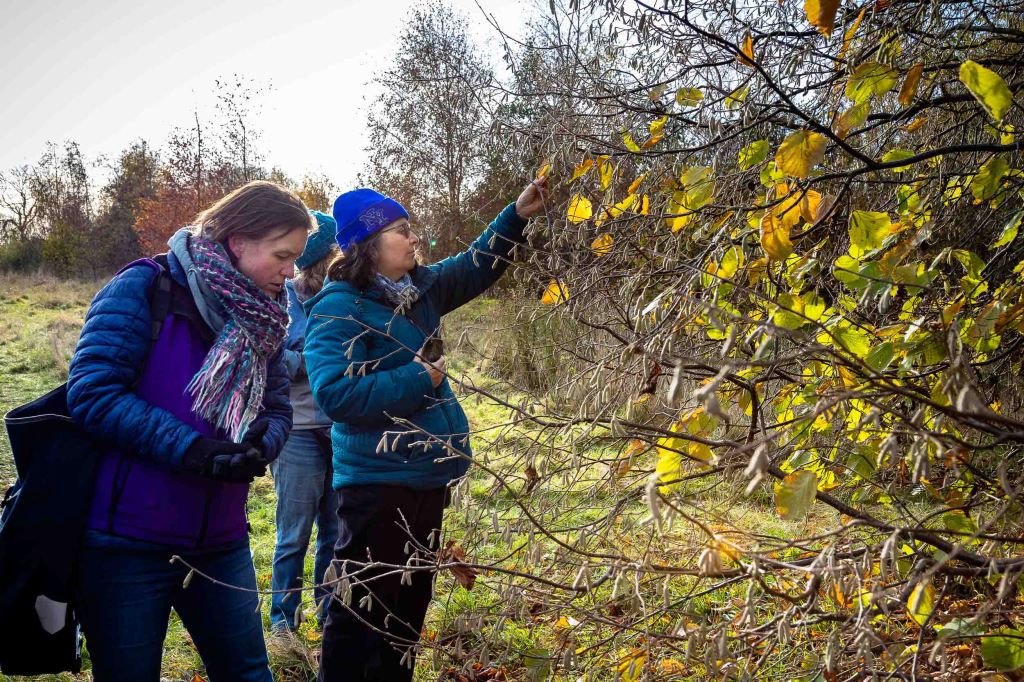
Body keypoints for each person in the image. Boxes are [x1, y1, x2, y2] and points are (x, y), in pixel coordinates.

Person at [65, 180, 311, 681]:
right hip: (126, 546)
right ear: (238, 241)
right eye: (282, 256)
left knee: (247, 674)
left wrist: (259, 446)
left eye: (296, 261)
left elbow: (279, 410)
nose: (290, 274)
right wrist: (192, 449)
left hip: (220, 544)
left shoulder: (267, 319)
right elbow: (92, 392)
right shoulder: (143, 285)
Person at [304, 179, 548, 681]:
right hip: (376, 483)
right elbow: (336, 395)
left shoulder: (420, 291)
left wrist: (516, 215)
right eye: (401, 230)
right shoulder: (338, 308)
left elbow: (476, 264)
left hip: (426, 477)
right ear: (368, 246)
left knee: (408, 611)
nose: (415, 239)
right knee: (361, 613)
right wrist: (421, 376)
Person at [269, 211, 340, 632]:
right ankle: (283, 624)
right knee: (293, 534)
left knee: (334, 531)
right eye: (334, 252)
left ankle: (330, 613)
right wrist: (312, 361)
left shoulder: (344, 296)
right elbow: (269, 357)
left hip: (340, 428)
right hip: (295, 430)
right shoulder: (281, 297)